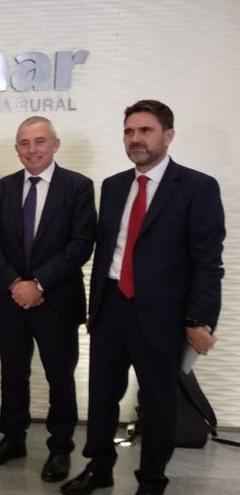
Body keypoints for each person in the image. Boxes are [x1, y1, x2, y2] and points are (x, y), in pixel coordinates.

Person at [61, 100, 223, 495]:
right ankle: (99, 467)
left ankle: (152, 480)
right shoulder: (114, 186)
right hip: (112, 306)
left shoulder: (197, 187)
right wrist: (94, 307)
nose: (136, 139)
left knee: (159, 402)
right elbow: (106, 252)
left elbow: (207, 262)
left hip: (163, 315)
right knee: (101, 396)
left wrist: (199, 320)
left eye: (145, 131)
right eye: (130, 132)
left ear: (167, 136)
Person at [0, 116, 96, 481]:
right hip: (10, 299)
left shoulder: (77, 186)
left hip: (57, 301)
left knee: (60, 377)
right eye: (24, 143)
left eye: (40, 142)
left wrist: (39, 283)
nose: (32, 150)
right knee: (13, 375)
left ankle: (60, 449)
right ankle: (13, 439)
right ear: (17, 149)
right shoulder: (4, 187)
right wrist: (16, 282)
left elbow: (81, 244)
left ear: (55, 144)